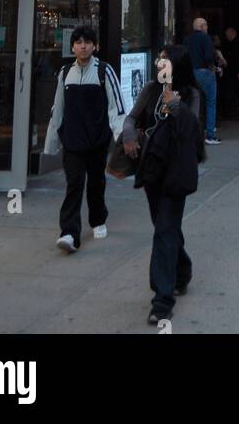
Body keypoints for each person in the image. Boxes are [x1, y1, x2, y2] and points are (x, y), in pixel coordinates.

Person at [123, 45, 204, 325]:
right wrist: (128, 136)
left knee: (164, 230)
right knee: (164, 227)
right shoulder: (150, 90)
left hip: (177, 170)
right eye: (159, 59)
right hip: (152, 168)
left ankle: (162, 300)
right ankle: (182, 270)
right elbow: (131, 118)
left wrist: (176, 105)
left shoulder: (190, 94)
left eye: (165, 60)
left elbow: (193, 130)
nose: (160, 63)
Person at [44, 25, 126, 252]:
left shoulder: (104, 71)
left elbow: (116, 107)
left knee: (96, 182)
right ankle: (69, 233)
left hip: (97, 141)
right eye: (78, 42)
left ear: (95, 46)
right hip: (72, 141)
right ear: (72, 47)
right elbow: (57, 109)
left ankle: (98, 219)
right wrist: (52, 141)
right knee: (74, 184)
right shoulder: (64, 74)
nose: (83, 46)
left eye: (87, 42)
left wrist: (121, 138)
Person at [185, 16, 220, 144]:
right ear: (201, 27)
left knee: (193, 103)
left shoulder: (187, 39)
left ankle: (192, 134)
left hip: (191, 72)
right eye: (205, 25)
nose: (207, 27)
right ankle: (210, 135)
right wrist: (212, 67)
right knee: (210, 103)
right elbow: (209, 56)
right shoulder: (206, 38)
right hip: (205, 72)